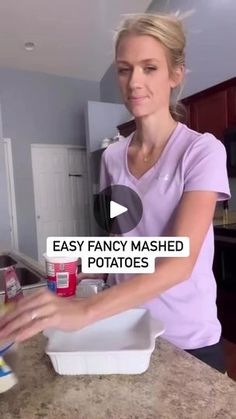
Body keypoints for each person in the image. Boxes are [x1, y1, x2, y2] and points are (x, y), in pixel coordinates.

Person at [0, 13, 230, 373]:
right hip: (125, 324)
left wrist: (86, 310)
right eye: (125, 69)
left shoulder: (201, 152)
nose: (134, 82)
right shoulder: (112, 157)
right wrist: (84, 273)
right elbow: (121, 237)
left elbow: (180, 262)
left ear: (175, 74)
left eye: (149, 67)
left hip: (185, 341)